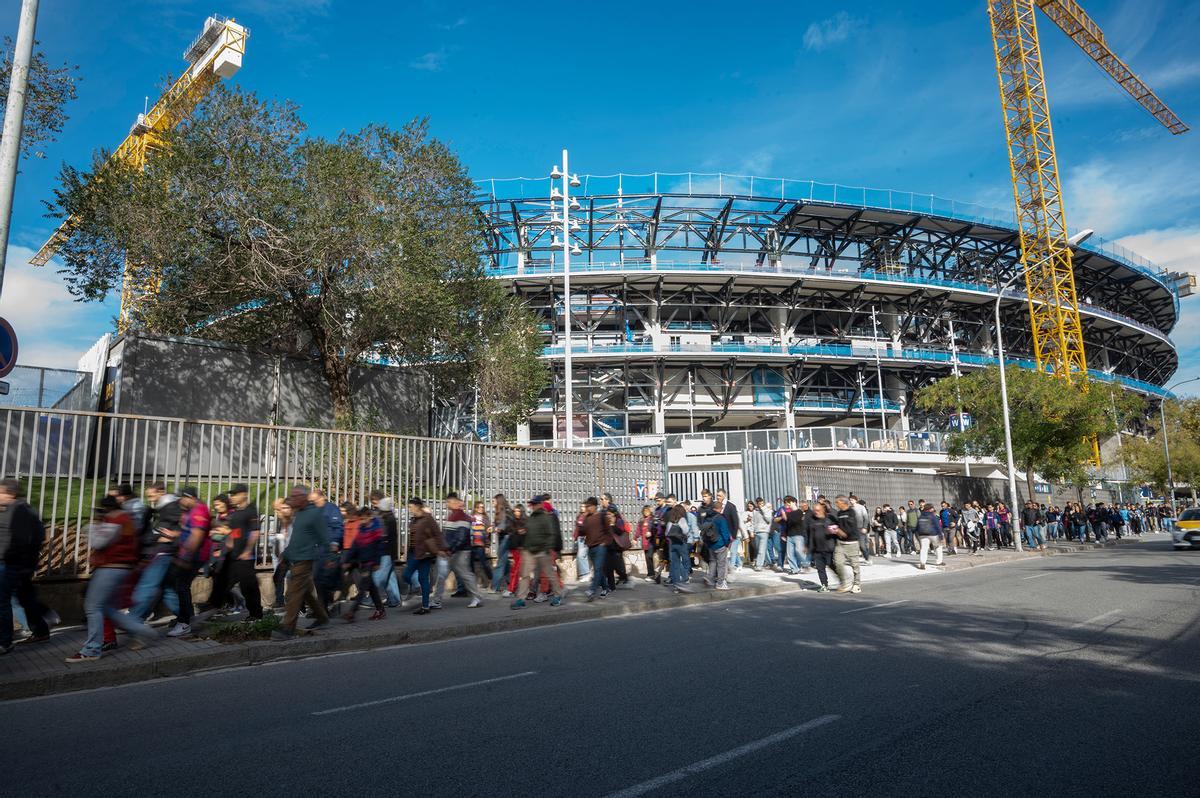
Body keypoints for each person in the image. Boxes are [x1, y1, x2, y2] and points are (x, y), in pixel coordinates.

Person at [67, 497, 158, 662]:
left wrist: (94, 524)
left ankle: (92, 649)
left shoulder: (116, 519)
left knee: (92, 607)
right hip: (121, 569)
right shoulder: (127, 519)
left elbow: (99, 542)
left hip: (110, 567)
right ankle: (145, 631)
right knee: (108, 608)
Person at [273, 486, 331, 639]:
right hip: (294, 557)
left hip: (305, 559)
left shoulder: (315, 514)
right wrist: (286, 553)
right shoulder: (299, 514)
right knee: (304, 591)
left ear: (304, 497)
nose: (292, 499)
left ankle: (288, 628)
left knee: (293, 594)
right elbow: (297, 538)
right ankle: (322, 617)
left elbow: (325, 538)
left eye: (295, 496)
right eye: (292, 496)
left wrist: (331, 558)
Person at [0, 479, 51, 654]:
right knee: (22, 597)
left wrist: (20, 562)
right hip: (17, 564)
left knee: (8, 601)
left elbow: (24, 541)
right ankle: (41, 628)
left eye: (1, 492)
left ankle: (6, 640)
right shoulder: (13, 509)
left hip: (13, 564)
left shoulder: (20, 511)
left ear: (10, 493)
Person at [209, 484, 263, 620]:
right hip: (232, 556)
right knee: (221, 583)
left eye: (234, 494)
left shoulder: (251, 510)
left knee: (248, 587)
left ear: (244, 494)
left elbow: (255, 532)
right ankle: (210, 611)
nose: (231, 497)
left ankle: (256, 615)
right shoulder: (235, 513)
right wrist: (224, 551)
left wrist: (247, 551)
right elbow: (231, 534)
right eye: (231, 495)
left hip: (245, 557)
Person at [166, 486, 212, 637]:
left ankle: (185, 623)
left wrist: (185, 557)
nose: (181, 501)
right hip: (188, 554)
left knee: (181, 586)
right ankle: (186, 618)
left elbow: (196, 536)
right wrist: (174, 534)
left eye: (183, 498)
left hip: (194, 556)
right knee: (179, 585)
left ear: (190, 497)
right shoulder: (190, 511)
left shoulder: (199, 510)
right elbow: (187, 531)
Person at [433, 492, 484, 609]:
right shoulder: (454, 516)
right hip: (454, 551)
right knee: (448, 575)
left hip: (459, 552)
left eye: (449, 502)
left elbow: (461, 538)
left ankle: (477, 597)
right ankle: (437, 600)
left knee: (462, 574)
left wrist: (450, 549)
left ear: (456, 503)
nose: (447, 504)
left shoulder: (461, 517)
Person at [511, 496, 564, 609]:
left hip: (542, 551)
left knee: (550, 574)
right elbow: (530, 531)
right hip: (529, 550)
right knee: (524, 575)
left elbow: (551, 535)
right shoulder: (532, 517)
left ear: (540, 504)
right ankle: (521, 599)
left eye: (535, 504)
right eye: (532, 504)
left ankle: (558, 596)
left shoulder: (546, 517)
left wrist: (547, 549)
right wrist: (524, 532)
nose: (532, 506)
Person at [340, 507, 387, 622]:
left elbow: (380, 548)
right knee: (372, 588)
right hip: (362, 562)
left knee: (363, 588)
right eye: (360, 519)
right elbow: (355, 546)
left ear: (369, 517)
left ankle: (352, 612)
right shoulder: (361, 529)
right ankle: (380, 609)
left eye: (363, 519)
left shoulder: (376, 530)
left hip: (371, 563)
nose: (361, 521)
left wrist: (377, 562)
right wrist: (347, 561)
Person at [402, 497, 445, 615]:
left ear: (417, 506)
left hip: (424, 553)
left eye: (411, 507)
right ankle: (418, 592)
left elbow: (438, 534)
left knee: (422, 578)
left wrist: (442, 549)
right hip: (413, 552)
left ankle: (425, 606)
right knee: (407, 576)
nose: (409, 509)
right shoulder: (414, 519)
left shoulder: (428, 519)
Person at [580, 497, 614, 601]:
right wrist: (582, 519)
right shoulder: (586, 518)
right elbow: (582, 532)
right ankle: (605, 588)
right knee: (598, 570)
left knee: (598, 569)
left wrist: (605, 543)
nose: (587, 508)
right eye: (586, 506)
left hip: (600, 546)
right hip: (590, 547)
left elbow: (609, 532)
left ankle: (592, 590)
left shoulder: (601, 516)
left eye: (589, 506)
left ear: (595, 506)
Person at [831, 496, 863, 594]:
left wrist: (841, 532)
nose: (836, 504)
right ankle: (845, 582)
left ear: (843, 502)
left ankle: (857, 584)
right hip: (840, 543)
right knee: (837, 562)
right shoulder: (839, 513)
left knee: (855, 565)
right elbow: (839, 526)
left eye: (837, 502)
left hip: (852, 542)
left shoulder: (851, 512)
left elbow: (851, 527)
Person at [699, 504, 732, 590]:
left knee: (712, 561)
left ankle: (709, 577)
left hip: (710, 544)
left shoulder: (707, 517)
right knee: (721, 564)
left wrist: (707, 543)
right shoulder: (721, 518)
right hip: (720, 543)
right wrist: (727, 543)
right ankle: (720, 583)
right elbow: (725, 532)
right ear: (720, 509)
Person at [805, 501, 835, 593]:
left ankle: (843, 579)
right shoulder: (812, 520)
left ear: (822, 510)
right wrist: (808, 546)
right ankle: (824, 585)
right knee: (820, 568)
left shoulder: (829, 519)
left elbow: (836, 530)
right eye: (814, 510)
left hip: (829, 548)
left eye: (817, 510)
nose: (815, 512)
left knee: (832, 565)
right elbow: (809, 534)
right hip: (817, 549)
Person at [664, 504, 692, 592]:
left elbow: (666, 533)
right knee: (685, 560)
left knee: (675, 564)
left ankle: (676, 586)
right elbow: (686, 530)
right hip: (681, 543)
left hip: (672, 544)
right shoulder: (682, 519)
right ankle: (685, 578)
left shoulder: (670, 521)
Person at [490, 494, 515, 593]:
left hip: (505, 538)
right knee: (505, 563)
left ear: (498, 501)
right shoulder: (499, 512)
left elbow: (502, 526)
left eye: (494, 501)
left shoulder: (504, 512)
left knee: (500, 563)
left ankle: (494, 587)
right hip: (503, 538)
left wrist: (496, 528)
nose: (492, 503)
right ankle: (512, 583)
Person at [469, 500, 494, 587]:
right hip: (472, 544)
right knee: (470, 564)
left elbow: (488, 533)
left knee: (484, 564)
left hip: (481, 545)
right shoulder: (471, 518)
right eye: (479, 507)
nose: (481, 509)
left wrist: (487, 546)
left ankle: (491, 580)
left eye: (482, 507)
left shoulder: (486, 519)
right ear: (475, 508)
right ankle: (472, 583)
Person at [916, 501, 944, 570]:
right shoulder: (932, 516)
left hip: (922, 535)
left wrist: (918, 535)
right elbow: (937, 526)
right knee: (938, 547)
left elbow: (917, 527)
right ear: (930, 509)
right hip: (933, 534)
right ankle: (939, 561)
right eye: (932, 508)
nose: (933, 509)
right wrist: (940, 535)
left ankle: (922, 563)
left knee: (924, 549)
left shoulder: (920, 516)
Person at [750, 498, 772, 571]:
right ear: (757, 504)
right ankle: (769, 562)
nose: (761, 505)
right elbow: (753, 522)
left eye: (762, 503)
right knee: (759, 549)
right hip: (756, 532)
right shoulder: (755, 511)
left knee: (761, 550)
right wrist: (751, 532)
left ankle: (759, 565)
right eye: (759, 504)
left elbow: (769, 520)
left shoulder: (767, 510)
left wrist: (764, 511)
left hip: (764, 532)